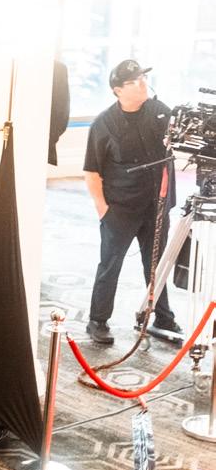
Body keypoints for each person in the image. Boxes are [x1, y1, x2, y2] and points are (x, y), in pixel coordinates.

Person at [83, 59, 180, 345]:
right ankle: (97, 320)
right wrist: (104, 210)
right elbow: (92, 172)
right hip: (120, 209)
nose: (142, 84)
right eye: (135, 81)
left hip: (156, 206)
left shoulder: (160, 112)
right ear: (118, 90)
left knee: (157, 265)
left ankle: (163, 318)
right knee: (110, 264)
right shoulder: (103, 124)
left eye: (143, 78)